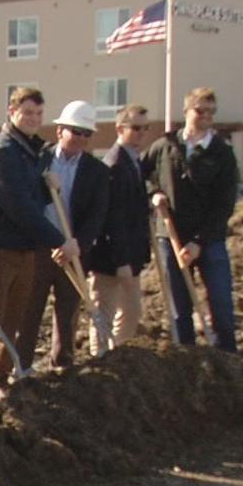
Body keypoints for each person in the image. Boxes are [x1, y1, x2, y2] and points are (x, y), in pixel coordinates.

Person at [15, 100, 109, 370]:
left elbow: (97, 214)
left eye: (86, 134)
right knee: (29, 309)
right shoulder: (38, 160)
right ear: (59, 131)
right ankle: (21, 366)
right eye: (75, 131)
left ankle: (62, 366)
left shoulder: (97, 171)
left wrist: (77, 244)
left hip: (74, 250)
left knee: (67, 313)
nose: (80, 138)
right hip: (39, 247)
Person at [143, 87, 239, 352]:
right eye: (200, 110)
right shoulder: (165, 146)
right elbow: (142, 174)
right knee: (178, 307)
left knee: (220, 303)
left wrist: (199, 241)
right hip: (170, 234)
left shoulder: (221, 153)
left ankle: (227, 360)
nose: (206, 116)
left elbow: (224, 204)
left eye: (211, 111)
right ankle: (185, 359)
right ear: (186, 112)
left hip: (209, 239)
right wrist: (154, 194)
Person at [0, 87, 57, 399]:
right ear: (11, 112)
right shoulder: (3, 152)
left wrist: (49, 187)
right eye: (27, 112)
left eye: (38, 113)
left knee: (14, 318)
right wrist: (58, 240)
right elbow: (18, 206)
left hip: (26, 249)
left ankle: (0, 380)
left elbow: (34, 199)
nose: (34, 119)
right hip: (0, 248)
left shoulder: (31, 150)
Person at [87, 104, 152, 355]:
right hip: (111, 258)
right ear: (119, 128)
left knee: (132, 312)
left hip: (131, 256)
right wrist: (121, 260)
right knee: (105, 312)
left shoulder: (134, 161)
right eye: (135, 128)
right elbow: (113, 217)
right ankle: (101, 359)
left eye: (145, 128)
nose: (141, 133)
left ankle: (118, 357)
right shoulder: (114, 164)